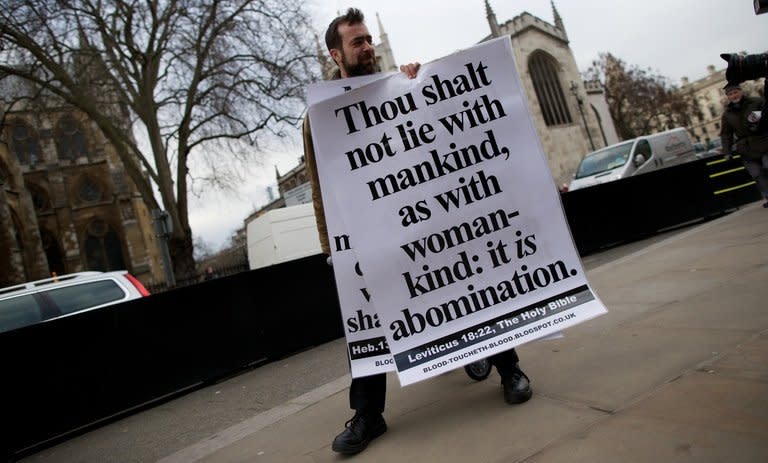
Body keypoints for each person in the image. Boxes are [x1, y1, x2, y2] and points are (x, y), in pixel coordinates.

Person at [303, 8, 533, 456]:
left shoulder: (397, 84)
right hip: (370, 235)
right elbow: (319, 186)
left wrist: (417, 81)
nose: (367, 47)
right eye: (357, 42)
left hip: (424, 222)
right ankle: (369, 415)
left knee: (473, 286)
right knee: (369, 321)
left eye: (369, 39)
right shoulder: (320, 115)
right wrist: (330, 246)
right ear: (336, 53)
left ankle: (511, 369)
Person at [720, 82, 768, 208]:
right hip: (746, 149)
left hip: (764, 142)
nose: (733, 95)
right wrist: (727, 152)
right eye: (730, 94)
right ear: (728, 97)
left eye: (735, 92)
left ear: (741, 91)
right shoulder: (727, 114)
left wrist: (760, 124)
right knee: (757, 175)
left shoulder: (757, 102)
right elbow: (726, 134)